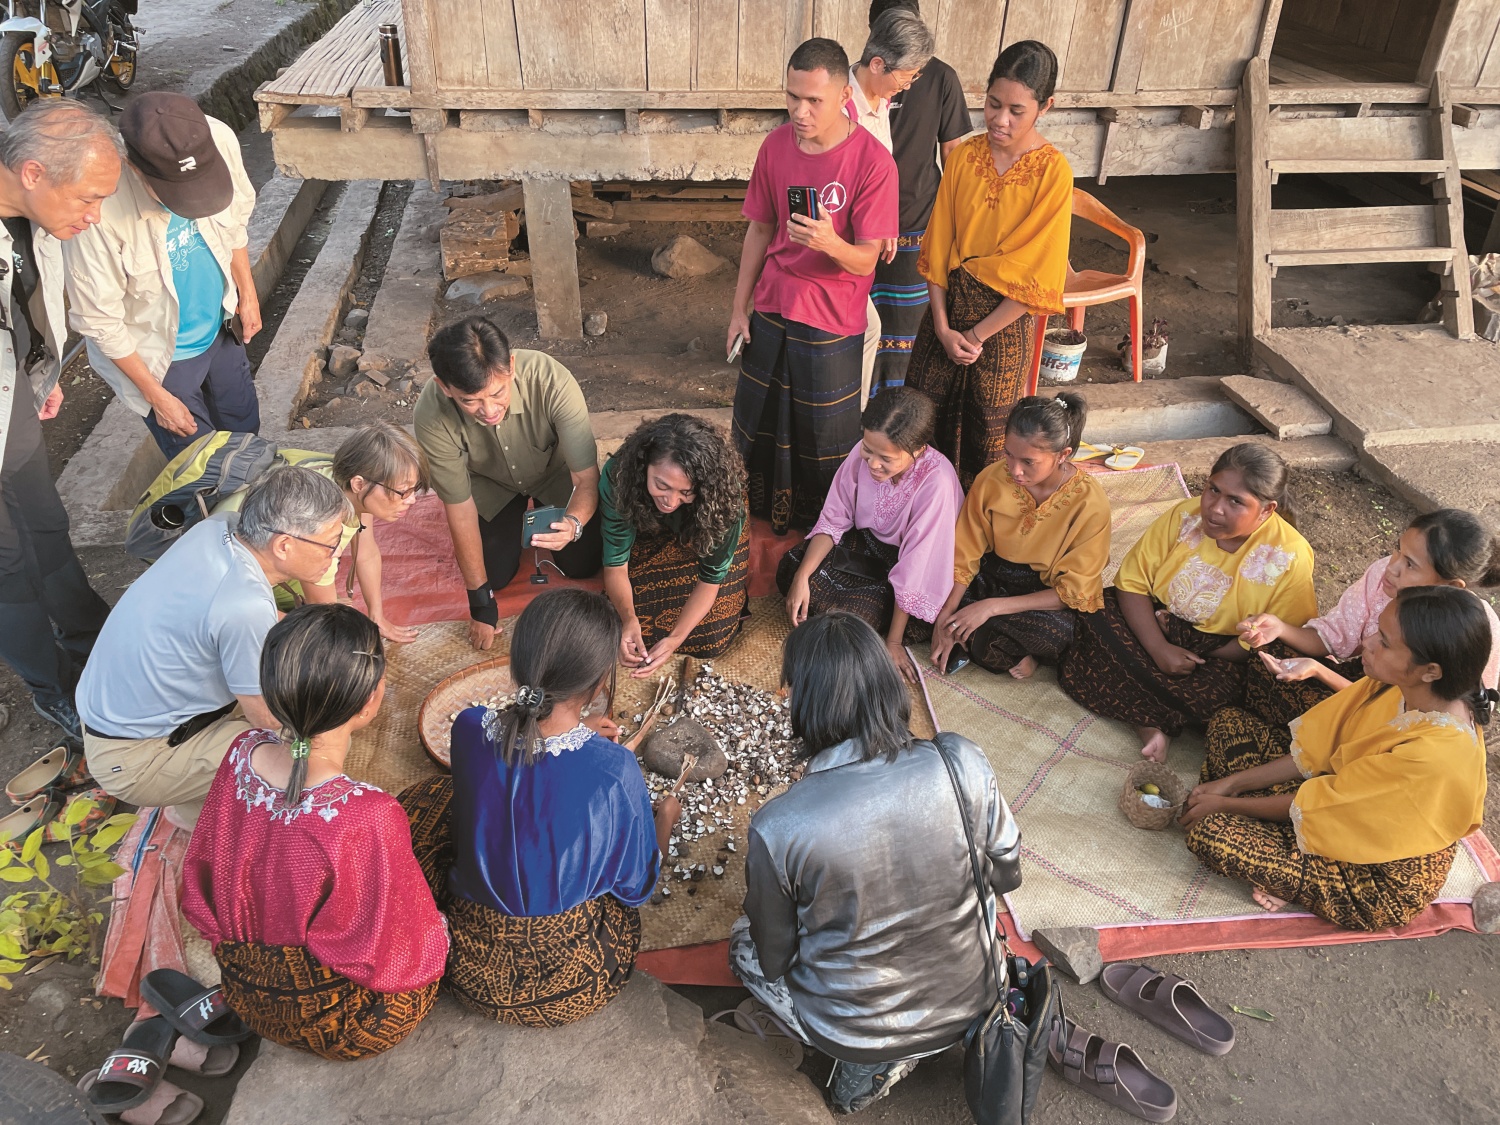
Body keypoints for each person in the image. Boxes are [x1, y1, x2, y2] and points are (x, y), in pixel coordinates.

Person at [733, 612, 1021, 1114]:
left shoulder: (779, 825)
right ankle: (928, 1040)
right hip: (973, 997)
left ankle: (871, 1060)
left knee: (742, 944)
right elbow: (1007, 874)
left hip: (858, 1033)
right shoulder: (960, 760)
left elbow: (775, 957)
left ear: (804, 701)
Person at [398, 590, 678, 1027]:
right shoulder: (614, 769)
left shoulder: (470, 727)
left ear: (518, 664)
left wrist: (575, 731)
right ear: (599, 683)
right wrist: (663, 823)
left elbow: (526, 761)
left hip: (469, 959)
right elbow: (636, 886)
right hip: (572, 978)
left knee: (431, 798)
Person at [181, 604, 448, 1059]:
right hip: (346, 1020)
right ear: (371, 700)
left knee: (425, 808)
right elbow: (397, 956)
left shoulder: (241, 750)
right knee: (441, 823)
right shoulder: (367, 814)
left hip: (247, 993)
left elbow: (205, 875)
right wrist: (440, 929)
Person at [1181, 586, 1491, 932]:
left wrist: (1225, 805)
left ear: (1430, 671)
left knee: (1211, 833)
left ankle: (1293, 881)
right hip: (1341, 803)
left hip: (1374, 874)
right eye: (1378, 630)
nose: (1369, 643)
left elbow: (1321, 807)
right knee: (1229, 726)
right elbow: (1318, 748)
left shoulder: (1434, 756)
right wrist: (1231, 784)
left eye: (1384, 642)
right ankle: (1275, 835)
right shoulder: (1399, 683)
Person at [78, 465, 353, 826]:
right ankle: (223, 820)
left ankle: (202, 807)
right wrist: (338, 718)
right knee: (301, 754)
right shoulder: (244, 604)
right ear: (284, 545)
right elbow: (268, 717)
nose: (335, 555)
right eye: (331, 543)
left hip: (110, 713)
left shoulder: (218, 526)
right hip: (138, 757)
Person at [728, 37, 899, 534]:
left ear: (846, 95)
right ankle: (757, 516)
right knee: (757, 420)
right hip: (773, 305)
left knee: (825, 436)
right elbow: (759, 229)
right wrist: (740, 309)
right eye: (791, 97)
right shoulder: (776, 146)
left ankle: (826, 528)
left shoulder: (872, 163)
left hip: (832, 315)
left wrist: (829, 242)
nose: (799, 112)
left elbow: (868, 257)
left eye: (813, 101)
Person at [1057, 443, 1316, 763]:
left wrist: (1198, 651)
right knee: (1095, 611)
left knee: (1224, 697)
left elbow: (1276, 638)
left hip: (1217, 652)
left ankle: (1143, 711)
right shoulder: (1184, 515)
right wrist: (1159, 648)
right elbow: (1132, 584)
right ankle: (1150, 721)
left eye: (1236, 501)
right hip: (1156, 620)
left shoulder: (1290, 556)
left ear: (1266, 510)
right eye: (1213, 490)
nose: (1215, 508)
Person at [0, 100, 121, 740]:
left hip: (10, 392)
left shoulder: (30, 216)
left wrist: (35, 376)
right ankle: (53, 689)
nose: (94, 215)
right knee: (7, 561)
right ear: (34, 172)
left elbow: (28, 302)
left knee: (46, 523)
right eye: (87, 199)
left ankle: (91, 637)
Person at [907, 40, 1071, 488]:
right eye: (993, 104)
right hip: (946, 312)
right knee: (919, 422)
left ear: (1046, 107)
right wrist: (942, 326)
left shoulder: (1053, 173)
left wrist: (976, 335)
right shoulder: (963, 158)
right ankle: (918, 518)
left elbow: (1038, 275)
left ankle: (979, 529)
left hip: (1002, 326)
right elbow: (938, 247)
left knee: (992, 435)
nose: (1000, 120)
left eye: (1017, 110)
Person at [62, 92, 260, 458]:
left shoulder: (215, 138)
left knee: (246, 431)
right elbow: (99, 319)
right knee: (200, 465)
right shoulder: (97, 210)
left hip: (220, 322)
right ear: (135, 167)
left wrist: (246, 294)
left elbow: (235, 224)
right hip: (162, 357)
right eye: (177, 192)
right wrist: (156, 397)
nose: (194, 202)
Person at [414, 316, 602, 651]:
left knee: (583, 564)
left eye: (498, 393)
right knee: (495, 578)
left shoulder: (552, 381)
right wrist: (481, 603)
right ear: (445, 388)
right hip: (490, 484)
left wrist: (574, 524)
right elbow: (459, 509)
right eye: (470, 401)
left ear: (511, 366)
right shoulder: (430, 415)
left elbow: (586, 478)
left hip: (554, 473)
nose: (488, 410)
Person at [1238, 508, 1500, 725]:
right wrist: (1280, 628)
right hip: (1359, 681)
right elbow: (1333, 636)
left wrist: (1320, 672)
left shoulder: (1473, 630)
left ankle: (1311, 743)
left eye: (1410, 564)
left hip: (1399, 722)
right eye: (1398, 549)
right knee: (1269, 649)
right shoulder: (1383, 577)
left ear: (1452, 587)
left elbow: (1411, 714)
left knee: (1307, 712)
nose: (1392, 566)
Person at [778, 387, 961, 683]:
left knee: (852, 616)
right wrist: (801, 579)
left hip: (908, 565)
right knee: (794, 569)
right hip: (864, 544)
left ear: (917, 449)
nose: (873, 464)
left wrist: (893, 642)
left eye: (885, 458)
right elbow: (835, 518)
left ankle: (884, 626)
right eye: (868, 450)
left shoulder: (935, 483)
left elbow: (916, 567)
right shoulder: (863, 454)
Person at [932, 393, 1110, 680]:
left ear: (1063, 455)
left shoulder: (1090, 503)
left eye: (1028, 461)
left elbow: (1072, 590)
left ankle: (1001, 643)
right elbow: (964, 555)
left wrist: (989, 608)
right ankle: (991, 641)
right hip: (988, 575)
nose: (1014, 470)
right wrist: (945, 615)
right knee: (923, 603)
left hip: (1040, 591)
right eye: (1008, 454)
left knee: (1060, 634)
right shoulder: (991, 479)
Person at [217, 421, 431, 641]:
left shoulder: (347, 482)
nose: (412, 500)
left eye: (414, 489)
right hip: (232, 575)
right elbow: (325, 616)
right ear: (359, 484)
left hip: (239, 538)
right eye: (403, 491)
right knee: (316, 629)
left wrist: (376, 616)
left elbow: (366, 553)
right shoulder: (320, 516)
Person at [863, 0, 973, 396]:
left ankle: (899, 413)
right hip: (861, 227)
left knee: (906, 331)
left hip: (915, 222)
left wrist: (956, 226)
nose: (906, 82)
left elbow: (955, 156)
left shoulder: (940, 77)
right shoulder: (852, 87)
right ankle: (862, 408)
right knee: (862, 326)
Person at [600, 414, 750, 678]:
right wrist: (629, 619)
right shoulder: (620, 475)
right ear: (643, 466)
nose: (670, 501)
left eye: (686, 492)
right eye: (662, 485)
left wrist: (676, 639)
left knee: (712, 634)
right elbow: (615, 563)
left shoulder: (725, 500)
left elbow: (711, 578)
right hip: (647, 526)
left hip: (704, 522)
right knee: (616, 624)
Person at [844, 7, 935, 405]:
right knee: (866, 329)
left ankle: (856, 411)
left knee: (867, 329)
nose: (910, 85)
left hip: (865, 240)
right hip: (841, 244)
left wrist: (884, 223)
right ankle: (853, 417)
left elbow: (878, 174)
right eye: (907, 75)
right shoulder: (842, 108)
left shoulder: (878, 100)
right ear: (878, 63)